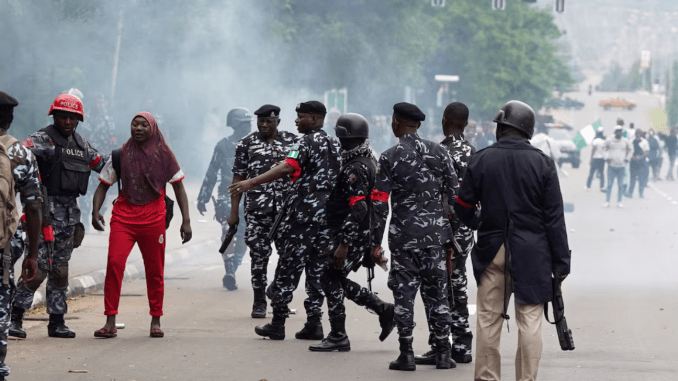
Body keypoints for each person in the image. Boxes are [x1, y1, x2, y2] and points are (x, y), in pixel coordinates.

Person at [454, 100, 571, 381]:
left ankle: (486, 378)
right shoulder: (543, 163)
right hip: (533, 254)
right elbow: (554, 218)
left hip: (492, 250)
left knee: (488, 321)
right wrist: (561, 262)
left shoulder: (481, 158)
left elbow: (461, 206)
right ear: (527, 129)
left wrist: (479, 221)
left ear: (503, 129)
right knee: (530, 322)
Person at [229, 101, 340, 341]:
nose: (297, 121)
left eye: (301, 117)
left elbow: (288, 166)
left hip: (302, 217)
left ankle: (278, 323)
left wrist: (252, 182)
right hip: (325, 217)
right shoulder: (335, 142)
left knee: (287, 269)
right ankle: (314, 323)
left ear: (314, 118)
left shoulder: (303, 142)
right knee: (315, 270)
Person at [11, 93, 108, 339]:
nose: (67, 121)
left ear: (79, 120)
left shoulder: (81, 145)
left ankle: (56, 321)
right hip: (43, 213)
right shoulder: (42, 140)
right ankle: (15, 317)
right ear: (54, 116)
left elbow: (103, 165)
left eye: (72, 118)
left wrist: (128, 160)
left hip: (69, 215)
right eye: (63, 116)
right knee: (39, 268)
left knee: (60, 270)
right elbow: (16, 158)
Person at [372, 103, 458, 371]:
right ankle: (443, 353)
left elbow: (378, 203)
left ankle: (406, 354)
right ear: (418, 125)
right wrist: (450, 236)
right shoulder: (440, 152)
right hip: (436, 238)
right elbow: (454, 197)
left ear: (396, 122)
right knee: (438, 296)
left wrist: (376, 242)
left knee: (404, 296)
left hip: (404, 238)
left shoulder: (388, 157)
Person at [91, 112, 192, 338]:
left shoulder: (165, 155)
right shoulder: (120, 155)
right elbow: (103, 186)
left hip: (154, 218)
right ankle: (110, 322)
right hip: (123, 218)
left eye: (143, 125)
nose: (137, 128)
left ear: (153, 129)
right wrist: (95, 210)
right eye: (134, 124)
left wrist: (186, 221)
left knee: (155, 270)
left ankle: (155, 320)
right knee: (114, 264)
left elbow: (179, 187)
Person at [308, 113, 395, 352]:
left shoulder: (355, 167)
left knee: (329, 277)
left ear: (347, 138)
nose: (337, 141)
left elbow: (359, 207)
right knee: (332, 278)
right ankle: (381, 309)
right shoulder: (368, 160)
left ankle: (339, 334)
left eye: (340, 137)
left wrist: (344, 244)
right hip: (359, 233)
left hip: (351, 235)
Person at [415, 102, 475, 366]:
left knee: (437, 288)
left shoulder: (440, 151)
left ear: (445, 120)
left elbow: (439, 195)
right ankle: (462, 345)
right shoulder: (474, 152)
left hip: (443, 231)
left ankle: (440, 344)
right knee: (458, 286)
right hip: (465, 231)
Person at [227, 104, 296, 318]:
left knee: (288, 256)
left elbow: (298, 171)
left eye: (269, 121)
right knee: (259, 256)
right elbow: (238, 178)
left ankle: (275, 291)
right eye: (261, 121)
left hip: (286, 210)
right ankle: (259, 302)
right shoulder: (245, 144)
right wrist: (234, 212)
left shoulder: (293, 141)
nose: (264, 125)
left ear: (278, 122)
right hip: (257, 210)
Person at [0, 92, 42, 381]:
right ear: (10, 118)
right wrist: (33, 254)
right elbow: (34, 205)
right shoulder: (19, 154)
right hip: (4, 244)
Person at [197, 108, 252, 290]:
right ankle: (230, 271)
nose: (249, 126)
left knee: (244, 238)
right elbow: (212, 172)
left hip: (249, 199)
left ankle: (232, 270)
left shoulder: (255, 145)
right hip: (227, 197)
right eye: (245, 123)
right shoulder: (222, 146)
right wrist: (203, 197)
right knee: (228, 232)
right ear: (236, 124)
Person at [603, 125, 632, 208]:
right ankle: (607, 201)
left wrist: (627, 158)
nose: (619, 133)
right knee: (609, 185)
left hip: (621, 166)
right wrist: (606, 157)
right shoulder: (609, 140)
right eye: (618, 131)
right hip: (612, 166)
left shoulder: (625, 141)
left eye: (621, 131)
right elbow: (603, 148)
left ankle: (619, 201)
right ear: (615, 132)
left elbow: (630, 149)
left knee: (620, 185)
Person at [627, 130, 649, 198]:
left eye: (639, 133)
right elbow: (628, 151)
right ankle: (630, 193)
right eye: (637, 133)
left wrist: (641, 157)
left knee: (641, 178)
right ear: (635, 134)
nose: (638, 135)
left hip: (641, 162)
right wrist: (632, 157)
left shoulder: (644, 142)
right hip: (633, 162)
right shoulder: (631, 141)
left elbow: (647, 151)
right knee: (632, 178)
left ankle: (641, 193)